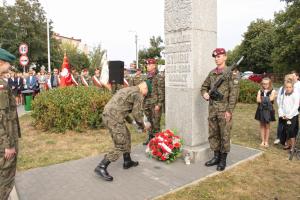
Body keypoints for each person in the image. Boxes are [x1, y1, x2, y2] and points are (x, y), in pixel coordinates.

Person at [94, 81, 152, 181]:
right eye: (147, 93)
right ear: (145, 88)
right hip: (114, 118)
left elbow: (123, 108)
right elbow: (137, 114)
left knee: (127, 135)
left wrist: (132, 122)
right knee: (120, 144)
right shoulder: (138, 94)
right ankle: (101, 166)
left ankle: (127, 160)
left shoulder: (128, 89)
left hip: (111, 115)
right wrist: (143, 126)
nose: (146, 95)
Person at [201, 48, 240, 171]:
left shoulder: (232, 73)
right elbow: (204, 87)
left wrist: (229, 111)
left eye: (219, 56)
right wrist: (205, 94)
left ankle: (223, 160)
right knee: (213, 134)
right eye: (215, 57)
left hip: (224, 110)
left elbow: (234, 94)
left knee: (224, 135)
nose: (217, 59)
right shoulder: (212, 73)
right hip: (212, 109)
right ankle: (216, 156)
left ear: (225, 57)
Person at [0, 48, 21, 200]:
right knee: (5, 178)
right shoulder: (0, 87)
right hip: (4, 142)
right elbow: (2, 116)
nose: (10, 66)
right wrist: (8, 144)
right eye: (8, 63)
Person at [143, 58, 165, 145]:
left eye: (149, 65)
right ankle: (150, 138)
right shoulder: (147, 76)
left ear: (154, 66)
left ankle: (157, 143)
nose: (147, 66)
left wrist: (159, 104)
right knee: (149, 122)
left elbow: (161, 92)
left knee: (156, 123)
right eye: (147, 65)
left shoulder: (159, 77)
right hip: (147, 103)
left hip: (155, 104)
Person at [254, 77, 276, 147]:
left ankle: (266, 141)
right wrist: (266, 99)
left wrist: (262, 99)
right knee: (262, 125)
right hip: (261, 110)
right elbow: (258, 100)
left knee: (267, 126)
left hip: (268, 110)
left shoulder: (273, 91)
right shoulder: (260, 91)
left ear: (269, 84)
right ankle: (263, 141)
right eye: (263, 84)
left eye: (266, 84)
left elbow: (271, 99)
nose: (264, 85)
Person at [278, 80, 299, 151]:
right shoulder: (283, 95)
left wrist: (289, 116)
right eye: (286, 87)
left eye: (290, 87)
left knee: (291, 130)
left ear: (292, 87)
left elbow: (295, 106)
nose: (288, 88)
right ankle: (288, 144)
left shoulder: (295, 95)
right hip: (284, 115)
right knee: (286, 130)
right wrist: (282, 114)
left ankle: (293, 146)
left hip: (292, 116)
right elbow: (280, 105)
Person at [274, 74, 294, 145]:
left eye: (289, 80)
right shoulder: (281, 88)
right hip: (282, 110)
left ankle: (286, 140)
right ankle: (278, 137)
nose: (286, 81)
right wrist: (280, 109)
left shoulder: (293, 89)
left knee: (288, 126)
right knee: (280, 124)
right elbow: (279, 99)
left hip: (290, 112)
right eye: (285, 80)